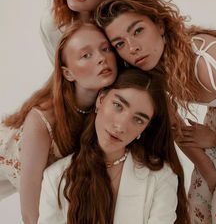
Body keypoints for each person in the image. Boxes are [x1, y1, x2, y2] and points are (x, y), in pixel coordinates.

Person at [95, 0, 216, 224]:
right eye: (120, 43)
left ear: (159, 24)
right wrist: (210, 174)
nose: (132, 47)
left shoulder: (208, 62)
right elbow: (177, 128)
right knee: (198, 212)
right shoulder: (151, 70)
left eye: (138, 31)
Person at [0, 21, 117, 224]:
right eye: (86, 55)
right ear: (67, 73)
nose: (101, 58)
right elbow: (30, 214)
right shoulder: (42, 121)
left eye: (105, 49)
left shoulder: (111, 106)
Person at [38, 68, 190, 224]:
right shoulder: (56, 177)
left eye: (138, 120)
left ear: (144, 129)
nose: (121, 126)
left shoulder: (161, 177)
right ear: (101, 100)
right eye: (118, 105)